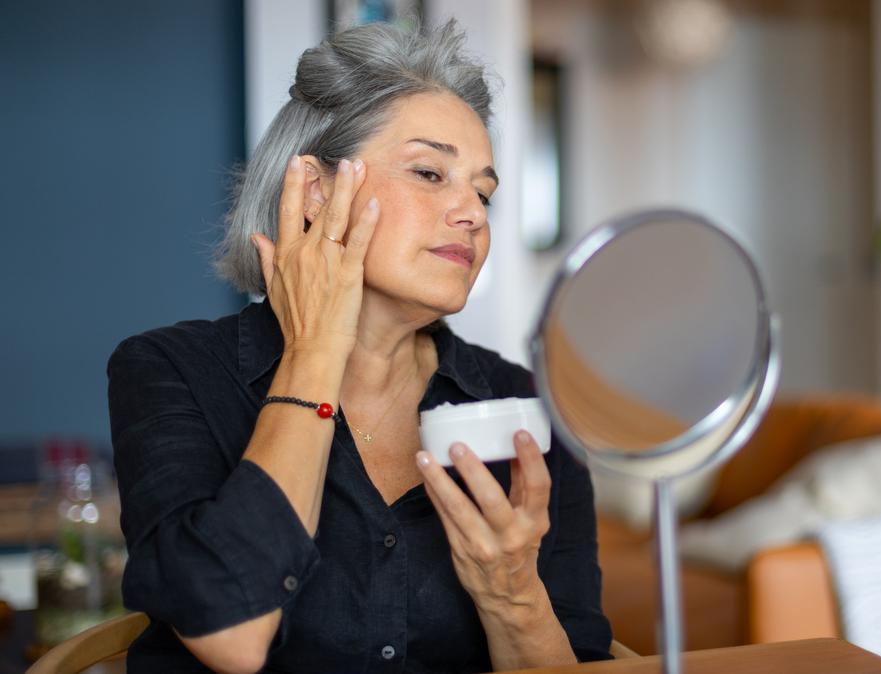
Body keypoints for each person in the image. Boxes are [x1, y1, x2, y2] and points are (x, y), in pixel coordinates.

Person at [107, 19, 612, 673]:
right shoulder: (168, 370)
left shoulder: (525, 407)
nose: (473, 214)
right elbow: (228, 635)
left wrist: (512, 591)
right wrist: (316, 351)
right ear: (316, 194)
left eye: (483, 192)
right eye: (431, 173)